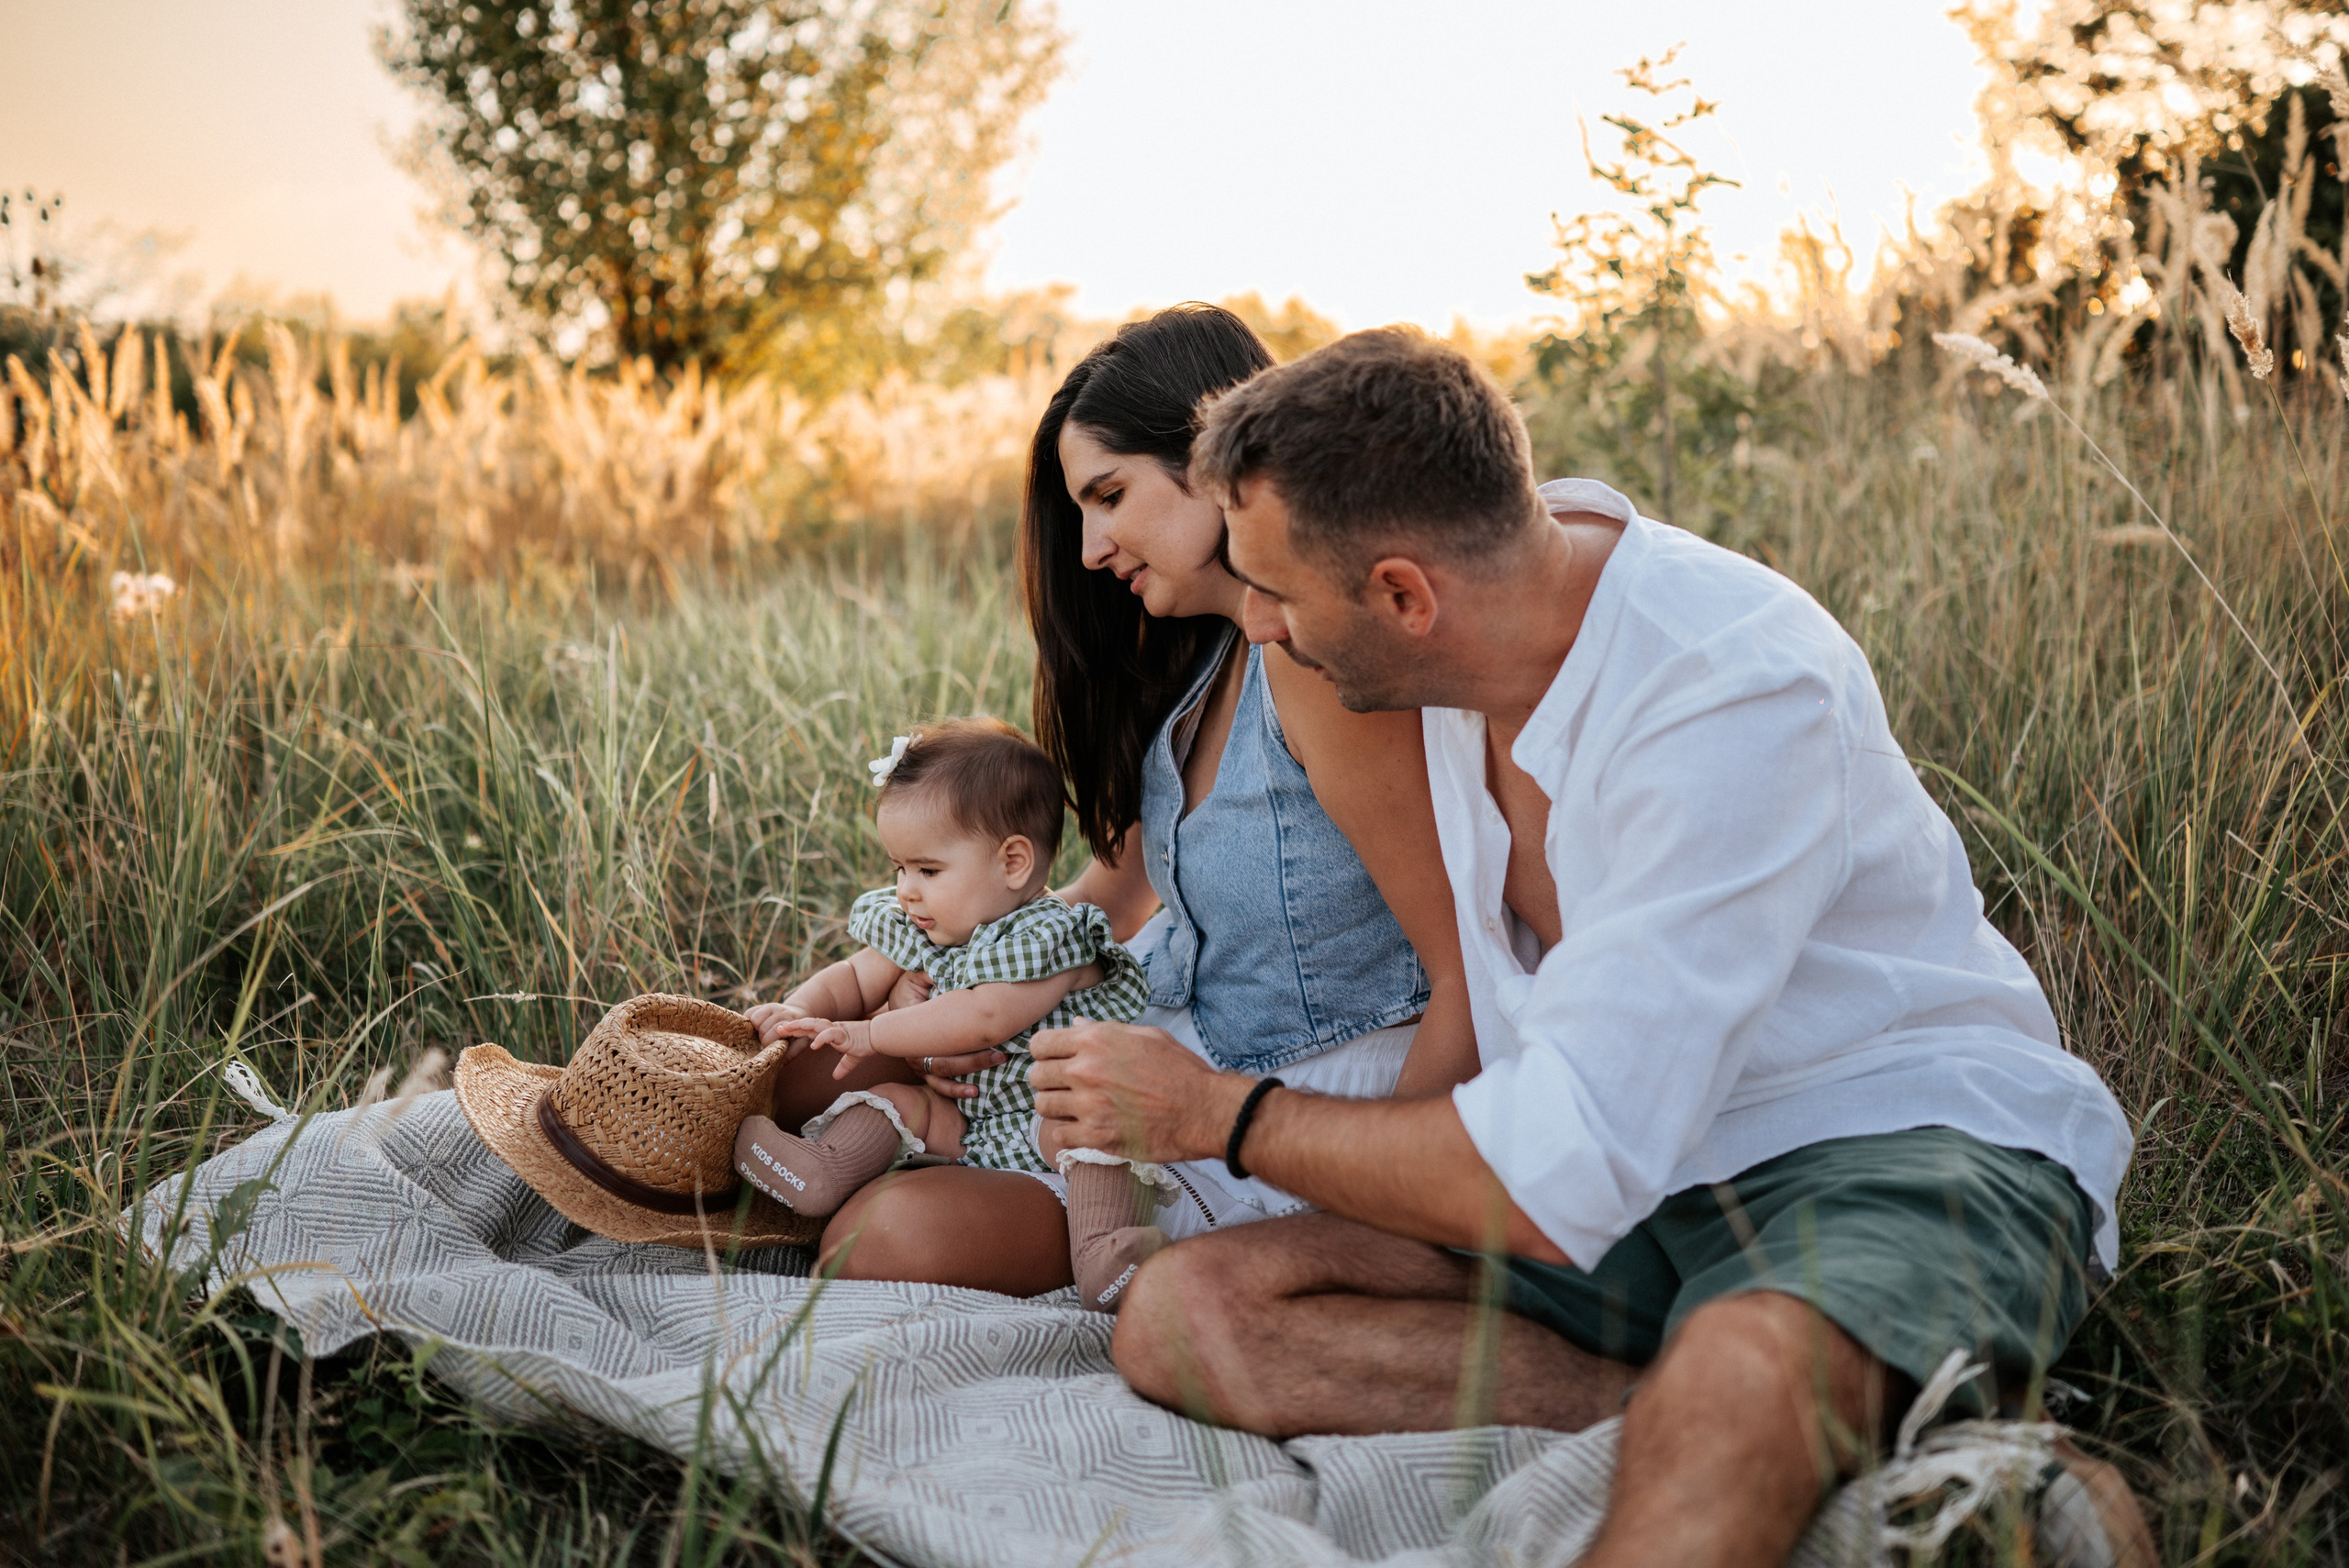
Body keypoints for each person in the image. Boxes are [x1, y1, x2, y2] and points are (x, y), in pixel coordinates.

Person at [1029, 328, 2154, 1567]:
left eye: (1279, 600)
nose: (1267, 633)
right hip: (1625, 1192)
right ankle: (1737, 1427)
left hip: (1871, 1142)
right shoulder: (1481, 602)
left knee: (1743, 1364)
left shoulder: (1727, 692)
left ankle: (1753, 1408)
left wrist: (1222, 1116)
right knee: (1192, 1313)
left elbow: (1558, 1163)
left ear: (1403, 595)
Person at [751, 305, 1481, 1295]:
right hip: (1157, 1023)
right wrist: (964, 985)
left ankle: (1056, 1209)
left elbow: (1467, 973)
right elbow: (1115, 891)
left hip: (1286, 1080)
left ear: (1216, 453)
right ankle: (751, 1173)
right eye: (1081, 511)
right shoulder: (1198, 667)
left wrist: (1391, 1191)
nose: (1092, 548)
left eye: (1110, 495)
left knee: (878, 1235)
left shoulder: (1315, 669)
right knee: (795, 1068)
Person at [731, 718, 1162, 1310]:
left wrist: (873, 1031)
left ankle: (1104, 1251)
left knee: (1091, 1133)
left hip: (1046, 1114)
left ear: (1013, 863)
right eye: (899, 868)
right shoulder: (932, 920)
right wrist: (802, 1009)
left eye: (927, 870)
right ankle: (824, 1169)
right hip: (968, 1117)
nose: (907, 890)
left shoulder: (1052, 935)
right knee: (898, 1100)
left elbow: (985, 1016)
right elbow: (857, 977)